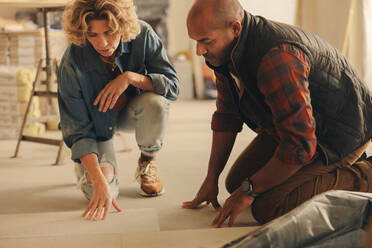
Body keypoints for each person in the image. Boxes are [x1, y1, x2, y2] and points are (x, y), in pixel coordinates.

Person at [183, 0, 372, 227]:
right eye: (195, 41)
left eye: (205, 42)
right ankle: (326, 170)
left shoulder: (276, 57)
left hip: (342, 131)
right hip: (299, 126)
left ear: (235, 28)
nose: (198, 51)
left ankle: (364, 173)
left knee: (269, 206)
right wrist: (211, 177)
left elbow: (300, 145)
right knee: (236, 183)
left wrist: (251, 190)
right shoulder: (222, 53)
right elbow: (227, 116)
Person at [58, 0, 179, 221]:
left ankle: (147, 162)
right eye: (93, 35)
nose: (103, 43)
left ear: (123, 26)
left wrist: (131, 78)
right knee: (103, 193)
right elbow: (75, 127)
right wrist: (97, 177)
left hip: (131, 112)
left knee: (157, 104)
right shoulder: (72, 61)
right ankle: (84, 165)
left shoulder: (144, 35)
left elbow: (172, 87)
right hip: (95, 128)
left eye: (110, 32)